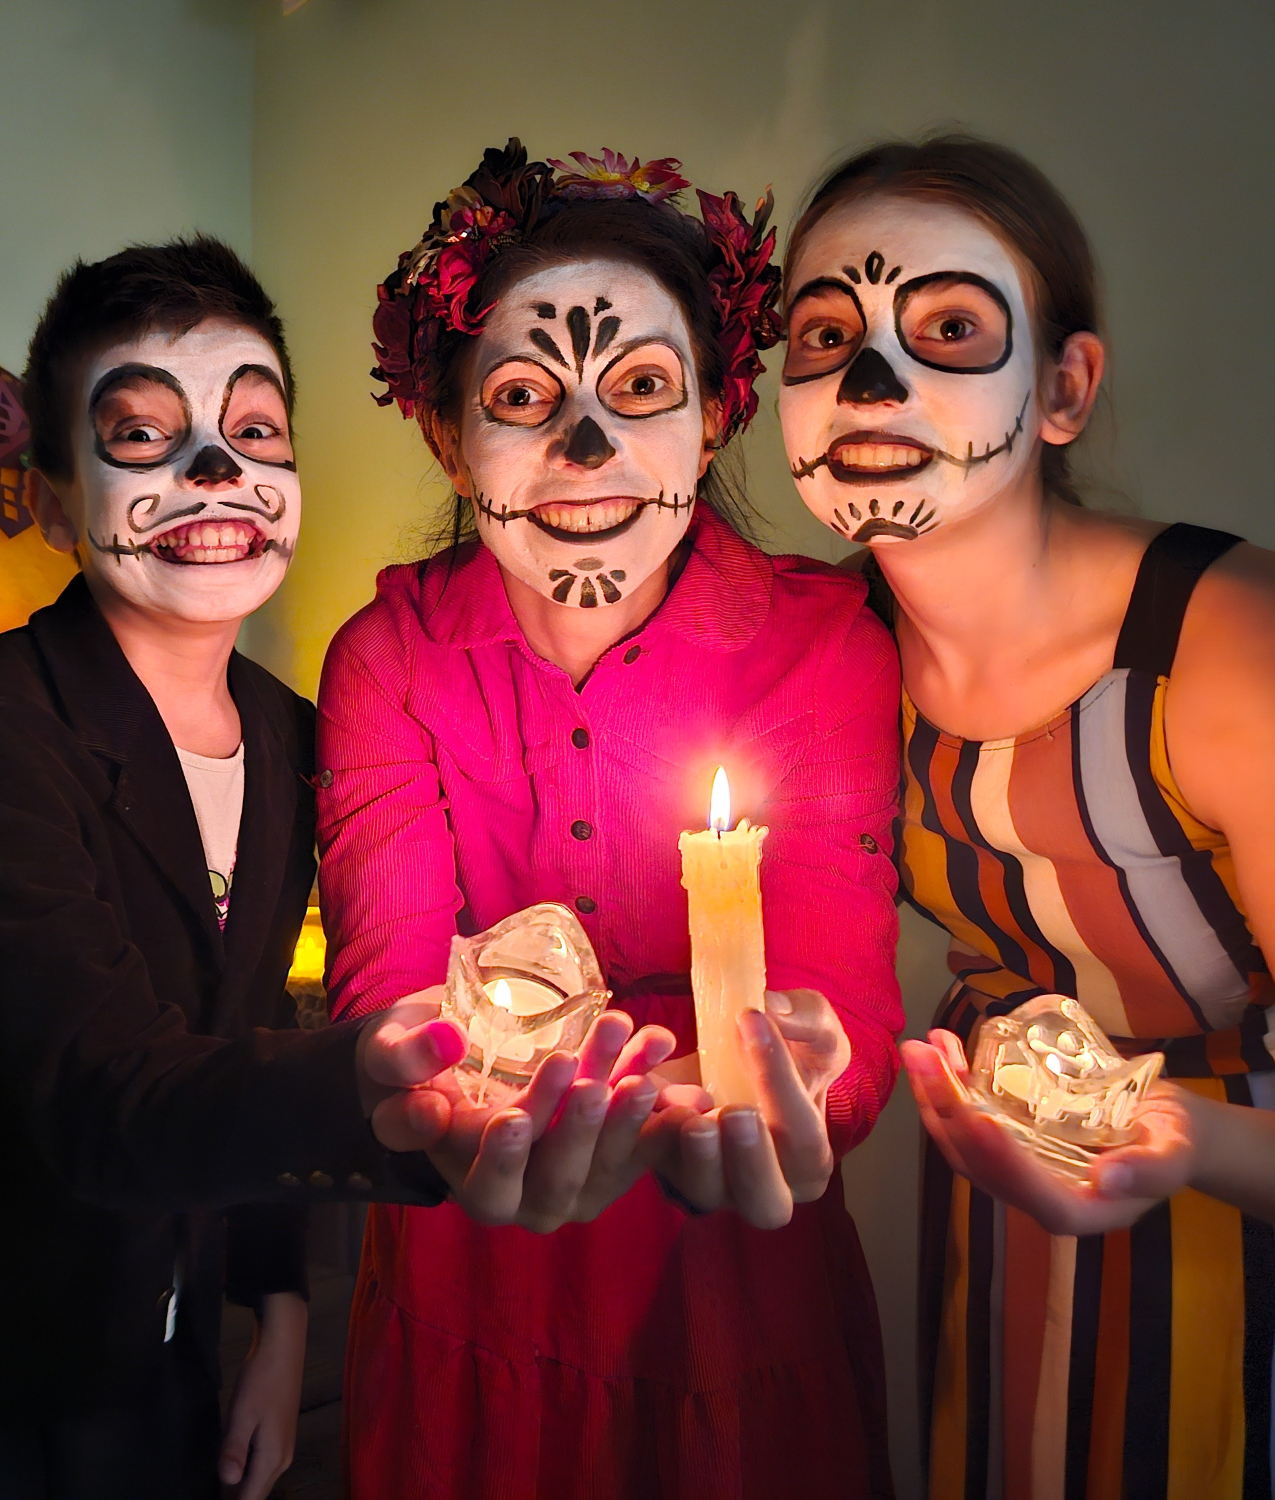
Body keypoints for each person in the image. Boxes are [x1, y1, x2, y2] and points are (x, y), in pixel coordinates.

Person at [0, 236, 671, 1499]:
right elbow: (102, 1094)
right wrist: (371, 1082)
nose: (217, 472)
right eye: (141, 435)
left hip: (167, 1324)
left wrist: (278, 1312)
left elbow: (244, 1029)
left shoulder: (296, 734)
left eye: (254, 430)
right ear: (54, 503)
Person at [319, 141, 905, 1498]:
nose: (585, 448)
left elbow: (839, 1006)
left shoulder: (821, 647)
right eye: (523, 396)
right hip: (470, 1279)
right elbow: (386, 994)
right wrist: (429, 1101)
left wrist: (812, 1087)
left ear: (713, 416)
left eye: (639, 388)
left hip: (728, 1295)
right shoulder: (387, 660)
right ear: (447, 440)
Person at [775, 134, 1275, 1497]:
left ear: (1060, 389)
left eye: (949, 327)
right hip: (1001, 1226)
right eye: (822, 335)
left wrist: (1172, 1137)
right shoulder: (833, 647)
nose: (868, 381)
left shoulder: (1235, 647)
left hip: (1248, 1242)